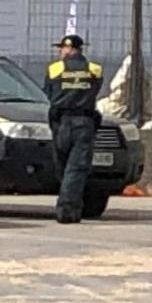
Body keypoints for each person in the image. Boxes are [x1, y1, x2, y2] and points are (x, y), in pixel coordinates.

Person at [44, 32, 104, 225]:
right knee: (76, 169)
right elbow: (95, 91)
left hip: (61, 123)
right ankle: (68, 208)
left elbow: (48, 93)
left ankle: (67, 209)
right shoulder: (94, 69)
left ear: (69, 49)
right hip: (84, 123)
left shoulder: (55, 69)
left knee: (64, 167)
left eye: (62, 48)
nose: (60, 52)